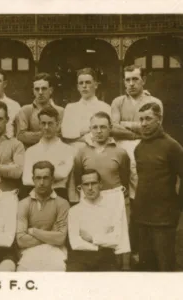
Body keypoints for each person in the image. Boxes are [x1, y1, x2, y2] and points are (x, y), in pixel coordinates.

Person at [111, 65, 164, 266]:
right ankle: (126, 250)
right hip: (124, 155)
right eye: (127, 80)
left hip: (146, 153)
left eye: (135, 79)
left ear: (144, 81)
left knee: (143, 200)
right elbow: (113, 128)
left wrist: (126, 125)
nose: (131, 84)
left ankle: (144, 251)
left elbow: (154, 130)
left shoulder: (154, 102)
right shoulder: (118, 101)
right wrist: (137, 130)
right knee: (125, 204)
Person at [134, 102, 183, 271]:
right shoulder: (139, 148)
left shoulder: (172, 146)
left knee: (165, 266)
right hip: (142, 216)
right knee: (146, 267)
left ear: (159, 119)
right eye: (141, 119)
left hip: (164, 218)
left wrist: (178, 207)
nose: (144, 123)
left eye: (148, 118)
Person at [67, 169, 130, 271]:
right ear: (81, 187)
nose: (90, 188)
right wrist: (101, 244)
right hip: (80, 258)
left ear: (100, 185)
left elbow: (116, 240)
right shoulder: (74, 211)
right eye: (86, 184)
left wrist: (92, 239)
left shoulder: (112, 209)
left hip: (106, 258)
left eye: (94, 183)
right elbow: (75, 243)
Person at [16, 161, 70, 271]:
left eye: (46, 178)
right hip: (29, 251)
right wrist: (51, 235)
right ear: (33, 179)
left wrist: (33, 231)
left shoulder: (62, 203)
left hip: (56, 251)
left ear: (52, 179)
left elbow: (60, 239)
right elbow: (21, 241)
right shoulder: (23, 204)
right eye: (38, 178)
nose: (41, 182)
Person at [72, 112, 130, 200]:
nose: (99, 131)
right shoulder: (81, 152)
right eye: (95, 127)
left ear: (110, 128)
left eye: (103, 127)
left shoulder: (121, 152)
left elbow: (125, 180)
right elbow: (78, 181)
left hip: (114, 200)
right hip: (91, 200)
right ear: (90, 129)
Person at [22, 106, 74, 200]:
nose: (46, 127)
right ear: (39, 124)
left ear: (57, 124)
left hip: (58, 196)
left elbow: (63, 174)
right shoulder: (31, 151)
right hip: (35, 196)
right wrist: (54, 172)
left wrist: (37, 176)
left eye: (50, 123)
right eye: (43, 123)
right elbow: (26, 180)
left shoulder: (68, 150)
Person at [61, 68, 110, 148]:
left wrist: (76, 135)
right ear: (78, 87)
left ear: (96, 85)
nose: (84, 86)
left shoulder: (105, 107)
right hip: (73, 150)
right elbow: (65, 133)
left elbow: (106, 134)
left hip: (97, 149)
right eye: (81, 83)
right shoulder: (70, 108)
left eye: (88, 82)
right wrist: (86, 132)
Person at [16, 73, 64, 148]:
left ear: (50, 90)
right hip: (32, 151)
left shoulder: (60, 111)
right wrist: (49, 133)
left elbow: (61, 135)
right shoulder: (25, 110)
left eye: (44, 88)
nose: (40, 92)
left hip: (55, 150)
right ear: (33, 91)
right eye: (37, 89)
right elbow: (21, 136)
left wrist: (33, 135)